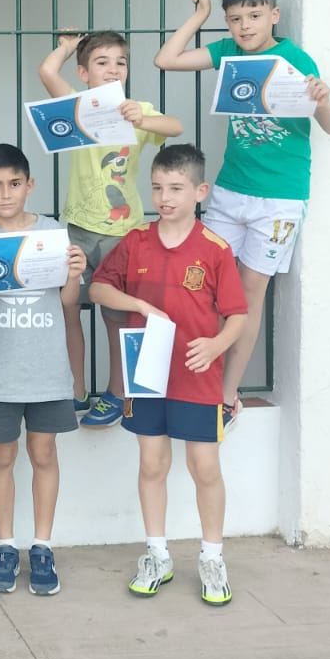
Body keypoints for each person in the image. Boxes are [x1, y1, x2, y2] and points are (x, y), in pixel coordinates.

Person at [154, 0, 330, 424]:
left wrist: (322, 101)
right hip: (230, 191)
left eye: (255, 16)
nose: (245, 26)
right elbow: (166, 59)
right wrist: (200, 16)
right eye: (235, 19)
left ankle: (226, 395)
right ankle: (191, 383)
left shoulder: (295, 60)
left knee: (250, 294)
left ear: (273, 15)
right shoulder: (228, 52)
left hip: (279, 200)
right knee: (201, 283)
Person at [90, 143, 249, 605]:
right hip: (146, 369)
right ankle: (157, 554)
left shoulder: (215, 249)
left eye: (176, 188)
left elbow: (237, 315)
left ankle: (212, 557)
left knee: (204, 467)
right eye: (157, 187)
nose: (165, 197)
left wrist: (216, 345)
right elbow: (99, 288)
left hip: (196, 375)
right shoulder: (136, 240)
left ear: (200, 191)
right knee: (152, 463)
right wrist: (137, 304)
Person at [0, 144, 86, 597]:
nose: (6, 194)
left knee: (44, 453)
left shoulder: (52, 232)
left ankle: (43, 546)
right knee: (2, 456)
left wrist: (74, 273)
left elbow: (68, 303)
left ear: (30, 185)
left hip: (48, 369)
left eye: (14, 184)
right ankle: (5, 546)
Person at [39, 29, 181, 428]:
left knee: (115, 317)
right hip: (77, 230)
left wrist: (142, 117)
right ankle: (75, 390)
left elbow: (175, 126)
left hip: (122, 234)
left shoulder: (138, 110)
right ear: (84, 73)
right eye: (102, 63)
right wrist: (69, 47)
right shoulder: (77, 107)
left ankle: (117, 394)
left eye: (121, 62)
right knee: (67, 309)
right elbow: (47, 71)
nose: (113, 69)